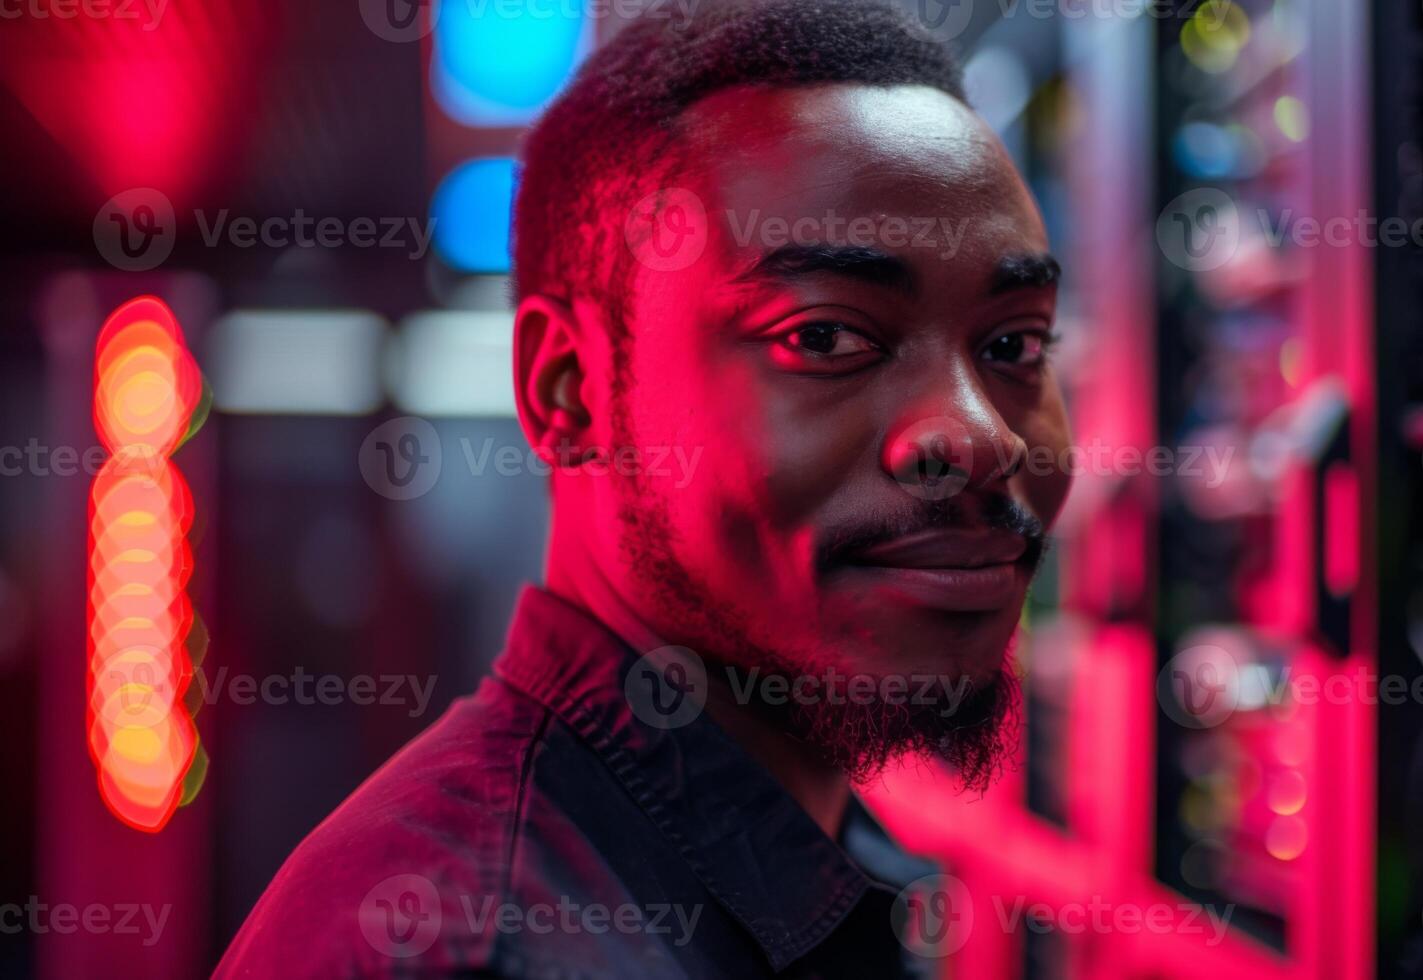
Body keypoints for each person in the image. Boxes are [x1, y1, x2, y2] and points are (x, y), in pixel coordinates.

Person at [218, 1, 1071, 975]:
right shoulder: (461, 950)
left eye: (1015, 344)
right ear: (571, 391)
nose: (980, 433)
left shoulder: (828, 864)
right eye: (826, 336)